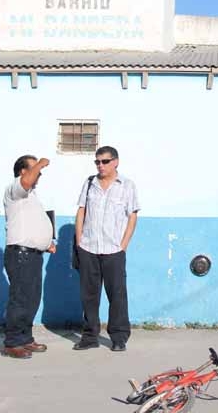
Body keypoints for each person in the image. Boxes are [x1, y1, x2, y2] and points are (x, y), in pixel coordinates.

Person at [73, 146, 139, 352]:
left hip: (113, 250)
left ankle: (119, 337)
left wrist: (123, 245)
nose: (100, 165)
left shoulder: (127, 185)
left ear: (116, 162)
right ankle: (90, 336)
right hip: (89, 247)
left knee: (117, 295)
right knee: (89, 296)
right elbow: (81, 211)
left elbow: (132, 216)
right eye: (97, 162)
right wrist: (79, 241)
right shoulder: (89, 183)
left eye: (105, 161)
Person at [2, 155, 56, 359]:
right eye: (35, 169)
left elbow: (31, 223)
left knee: (32, 299)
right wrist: (41, 163)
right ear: (23, 172)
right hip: (20, 255)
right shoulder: (15, 189)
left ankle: (25, 338)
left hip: (33, 255)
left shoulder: (32, 196)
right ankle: (13, 342)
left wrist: (46, 242)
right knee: (21, 299)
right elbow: (25, 182)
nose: (39, 173)